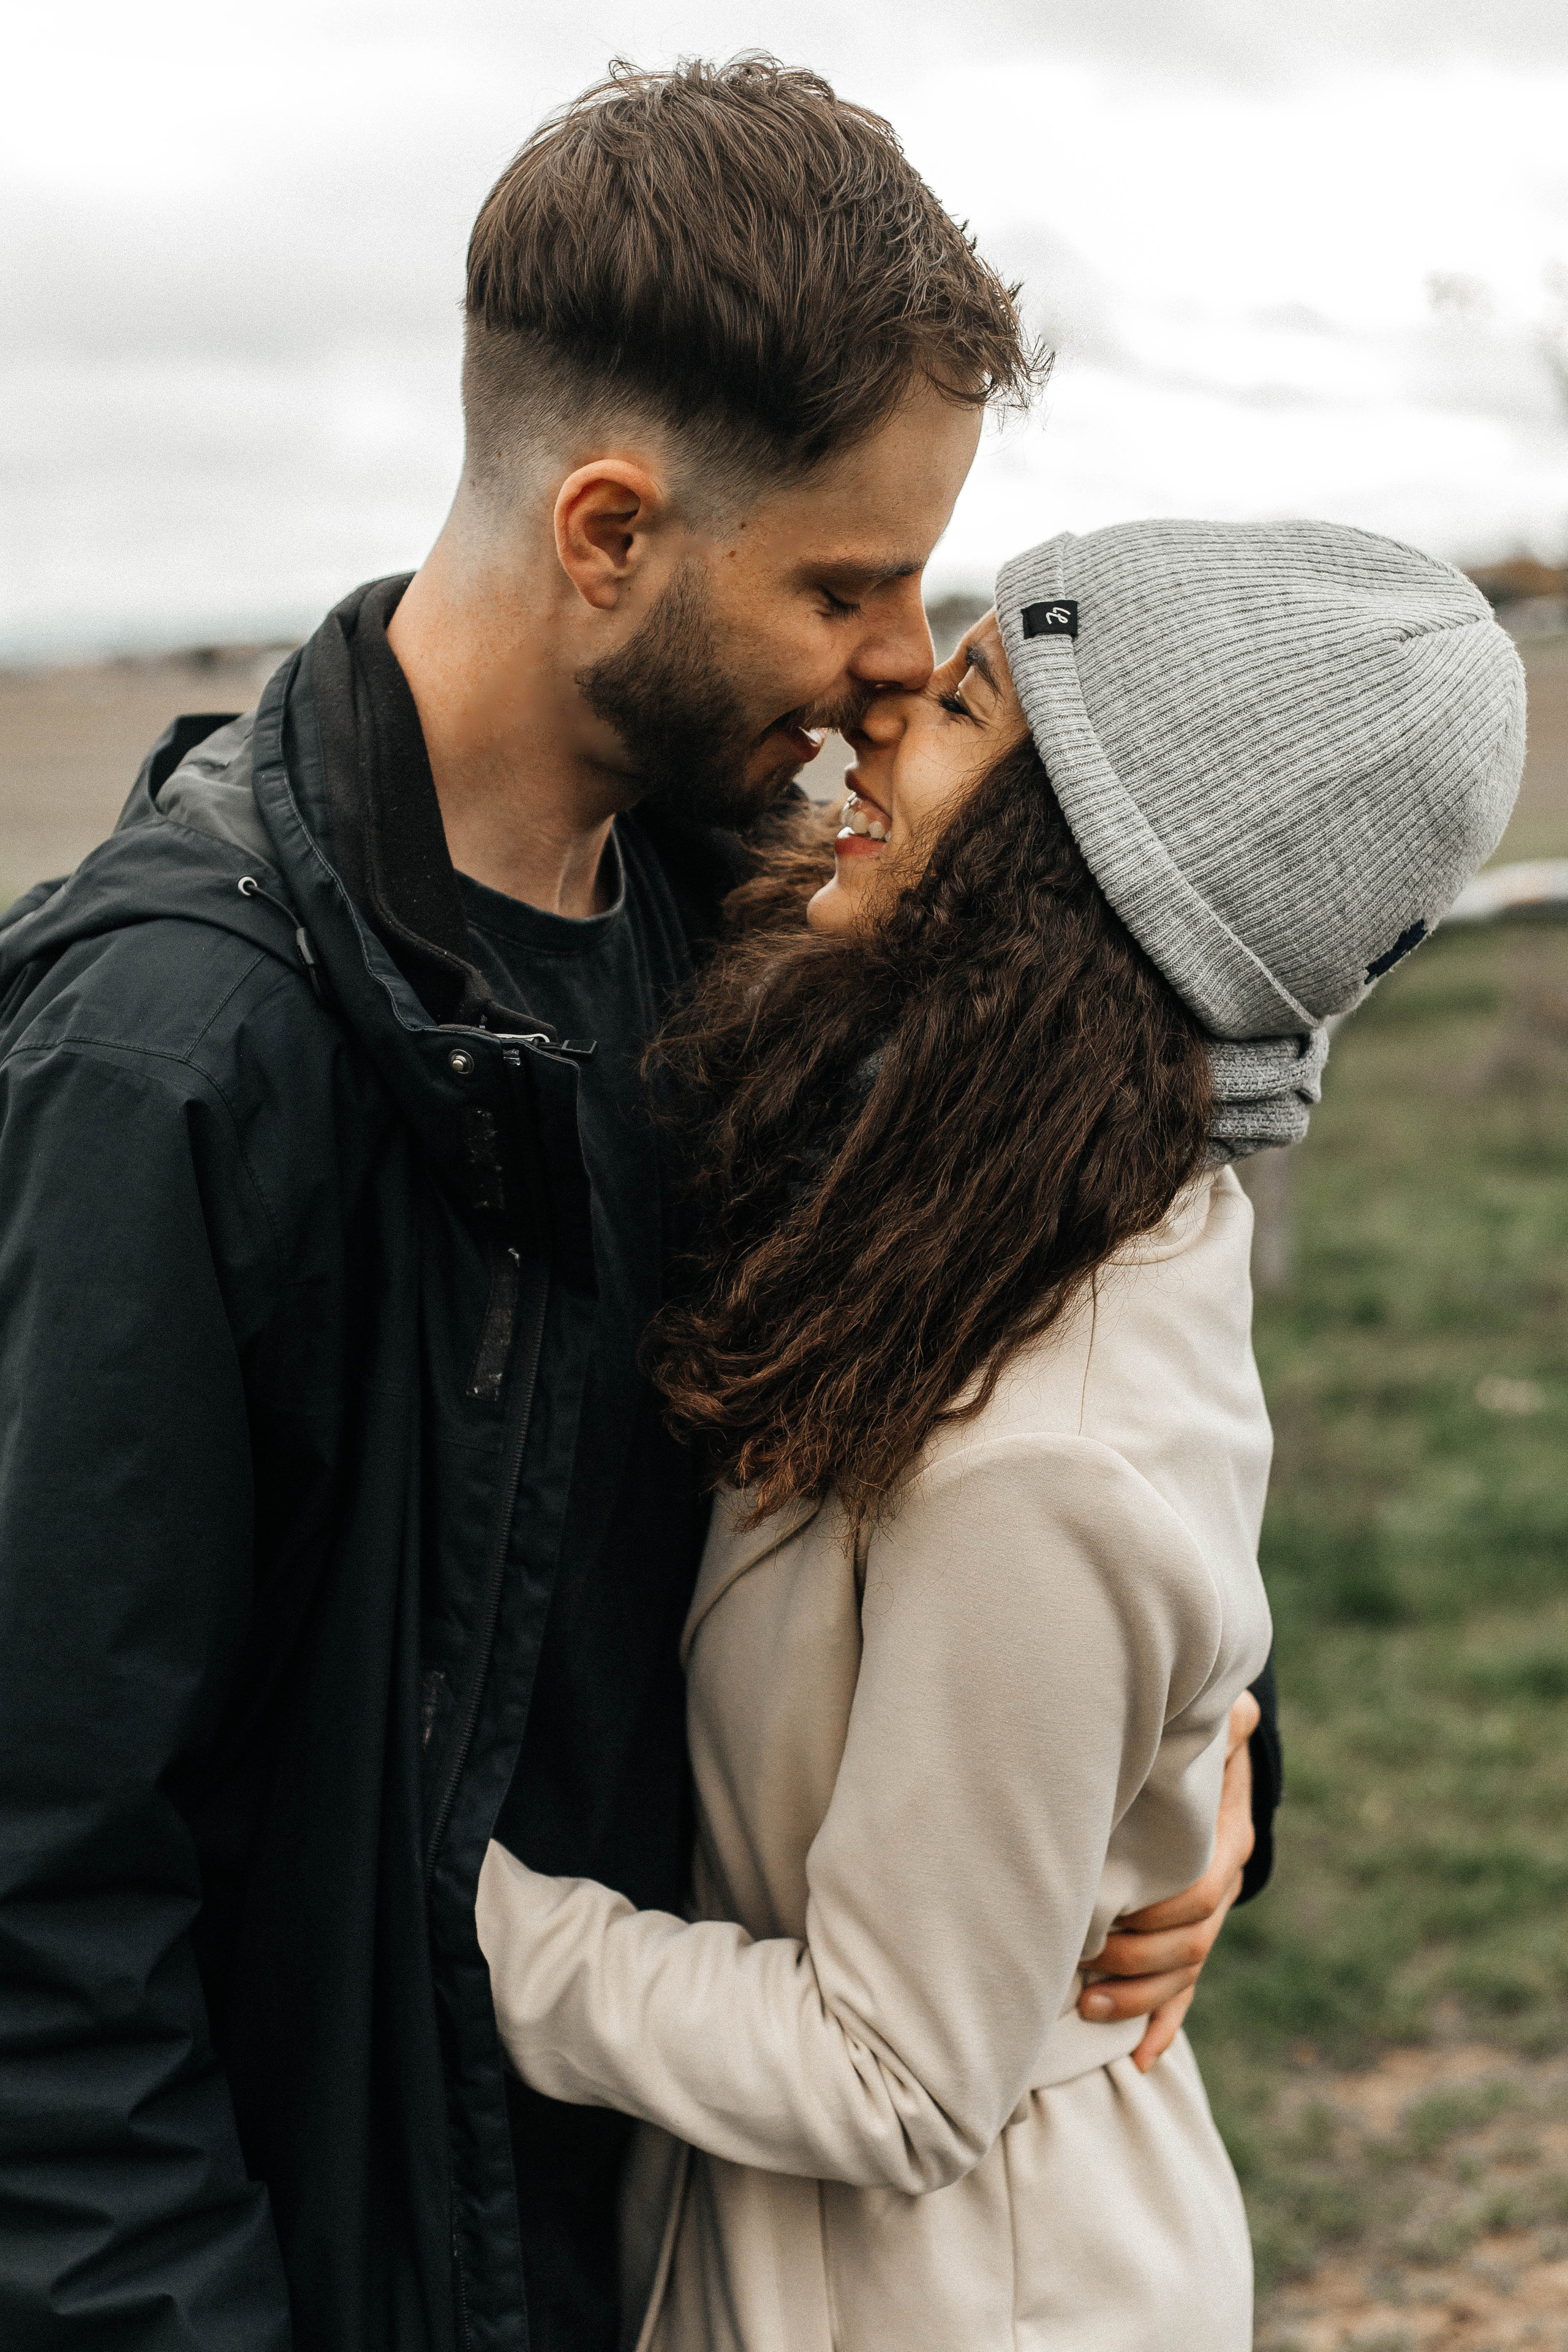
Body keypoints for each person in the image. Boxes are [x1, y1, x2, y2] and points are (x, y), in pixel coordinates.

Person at [0, 61, 1270, 2352]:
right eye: (847, 584)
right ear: (608, 531)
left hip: (701, 2231)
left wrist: (1200, 1760)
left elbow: (1028, 1427)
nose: (905, 660)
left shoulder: (753, 939)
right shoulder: (173, 1070)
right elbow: (41, 1888)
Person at [477, 518, 1526, 2350]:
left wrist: (429, 1905)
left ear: (1079, 875)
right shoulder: (999, 1187)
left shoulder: (1043, 1447)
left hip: (965, 2295)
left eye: (966, 701)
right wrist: (1202, 1763)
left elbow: (894, 2076)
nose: (875, 716)